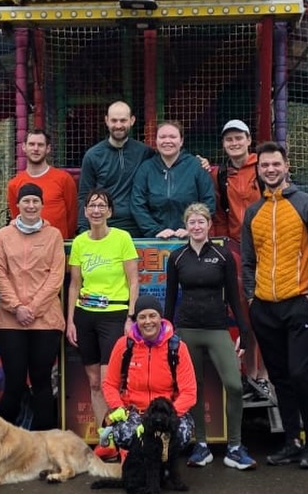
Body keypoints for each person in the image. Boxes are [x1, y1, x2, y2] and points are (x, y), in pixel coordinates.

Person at [242, 142, 308, 470]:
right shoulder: (254, 213)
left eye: (275, 164)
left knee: (300, 374)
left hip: (300, 304)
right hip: (265, 308)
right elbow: (248, 261)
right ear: (259, 170)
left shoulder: (307, 204)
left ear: (286, 166)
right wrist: (252, 299)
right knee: (280, 377)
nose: (270, 169)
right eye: (265, 165)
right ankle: (290, 441)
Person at [164, 203, 255, 470]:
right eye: (191, 222)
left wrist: (244, 333)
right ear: (186, 226)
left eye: (201, 222)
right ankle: (200, 445)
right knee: (194, 388)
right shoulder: (177, 258)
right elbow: (170, 300)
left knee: (234, 385)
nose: (196, 226)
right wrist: (168, 334)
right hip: (187, 329)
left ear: (208, 225)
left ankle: (235, 447)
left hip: (217, 328)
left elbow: (236, 300)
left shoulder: (223, 255)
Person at [0, 183, 66, 430]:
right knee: (13, 383)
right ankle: (0, 445)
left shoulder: (53, 236)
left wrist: (33, 308)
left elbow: (56, 275)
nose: (31, 206)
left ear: (42, 205)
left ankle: (46, 446)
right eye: (26, 201)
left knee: (42, 381)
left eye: (35, 201)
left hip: (45, 321)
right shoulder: (3, 235)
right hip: (10, 321)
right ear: (18, 205)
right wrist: (16, 307)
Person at [66, 189, 140, 430]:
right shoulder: (79, 242)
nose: (96, 210)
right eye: (92, 206)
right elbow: (75, 284)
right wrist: (70, 321)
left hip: (115, 315)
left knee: (111, 381)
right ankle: (104, 437)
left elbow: (133, 281)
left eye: (101, 206)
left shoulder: (122, 238)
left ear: (109, 211)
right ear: (85, 211)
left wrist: (130, 317)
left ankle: (121, 435)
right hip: (85, 316)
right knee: (94, 382)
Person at [210, 118, 268, 399]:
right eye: (229, 139)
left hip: (266, 247)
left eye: (239, 138)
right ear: (224, 144)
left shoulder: (263, 167)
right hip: (235, 247)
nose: (234, 143)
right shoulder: (221, 175)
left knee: (266, 312)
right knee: (245, 314)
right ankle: (249, 376)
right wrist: (222, 245)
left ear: (248, 140)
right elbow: (220, 215)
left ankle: (265, 377)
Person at [100, 294, 198, 455]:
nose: (148, 322)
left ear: (161, 318)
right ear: (135, 321)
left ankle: (165, 464)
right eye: (142, 317)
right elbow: (110, 384)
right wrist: (118, 407)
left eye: (153, 316)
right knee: (124, 435)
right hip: (135, 411)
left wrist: (167, 415)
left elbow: (189, 392)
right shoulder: (124, 345)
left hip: (167, 411)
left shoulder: (177, 347)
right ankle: (134, 460)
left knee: (181, 433)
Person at [77, 100, 155, 235]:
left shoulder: (145, 152)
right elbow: (85, 195)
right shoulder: (93, 155)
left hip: (137, 226)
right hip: (105, 226)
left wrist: (199, 161)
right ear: (106, 121)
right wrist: (83, 229)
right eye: (114, 120)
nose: (118, 125)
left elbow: (169, 163)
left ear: (132, 120)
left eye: (123, 120)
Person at [131, 120, 215, 238]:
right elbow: (137, 204)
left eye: (173, 137)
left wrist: (192, 228)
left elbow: (208, 202)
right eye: (162, 137)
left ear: (181, 141)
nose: (167, 141)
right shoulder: (146, 169)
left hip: (191, 238)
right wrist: (155, 231)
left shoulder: (196, 167)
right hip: (156, 240)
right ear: (156, 141)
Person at [6, 128, 78, 238]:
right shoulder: (14, 184)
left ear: (48, 148)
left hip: (57, 247)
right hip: (27, 248)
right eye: (31, 144)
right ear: (24, 147)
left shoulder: (64, 179)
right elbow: (17, 219)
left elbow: (72, 216)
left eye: (40, 145)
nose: (35, 149)